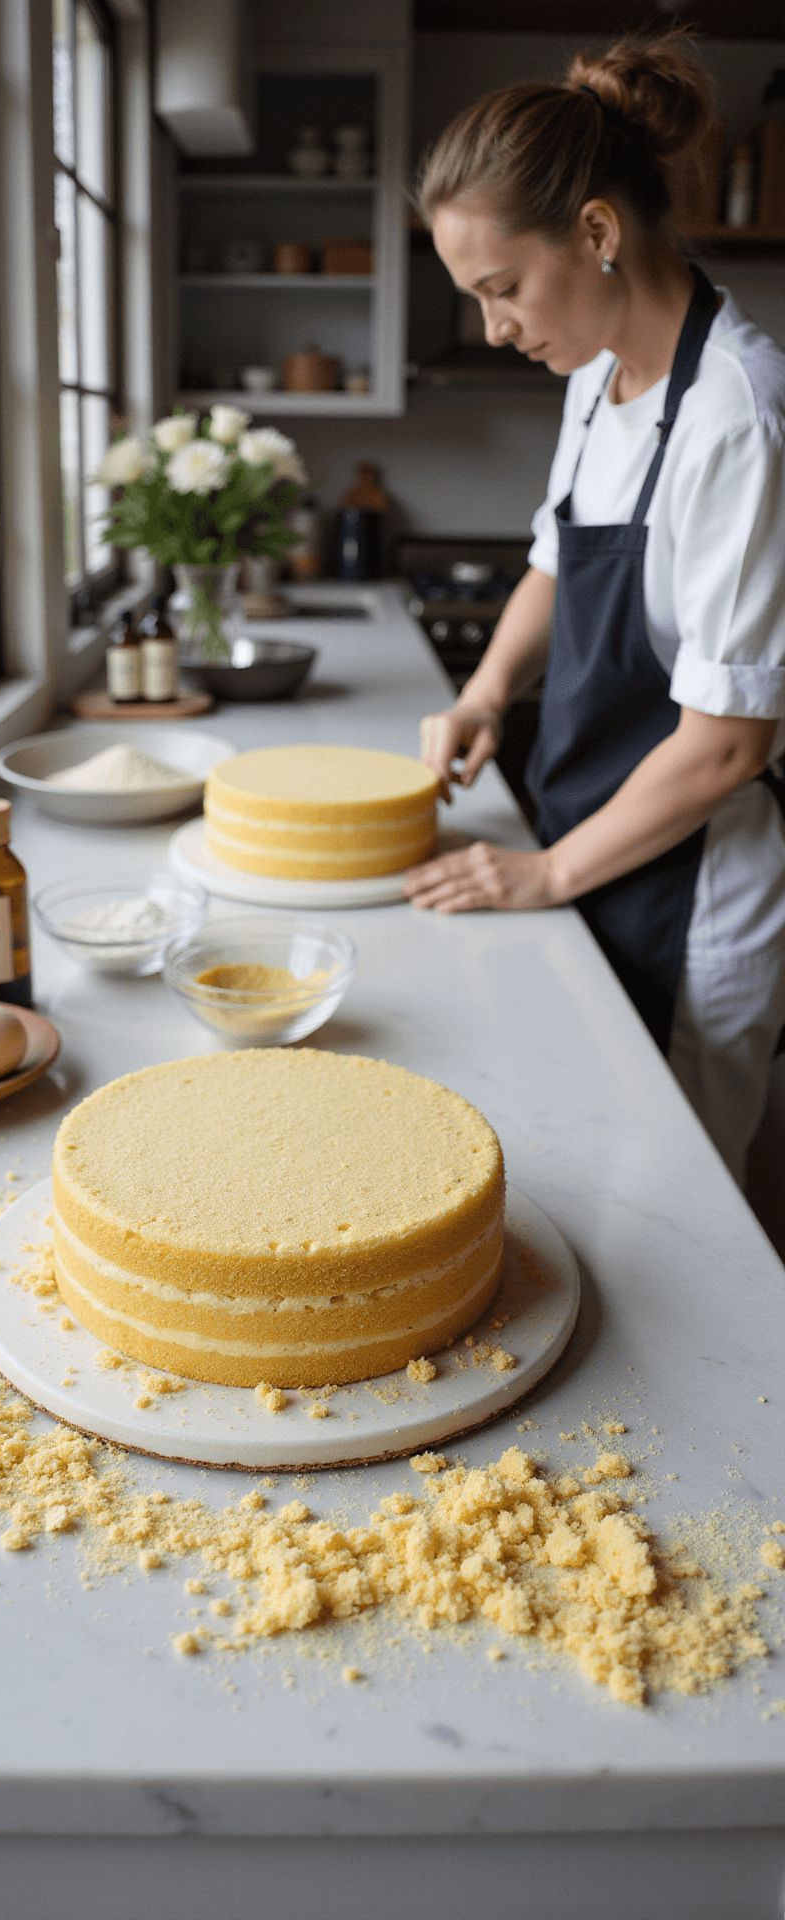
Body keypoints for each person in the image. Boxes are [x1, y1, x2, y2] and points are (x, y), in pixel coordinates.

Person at [405, 33, 785, 1185]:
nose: (493, 328)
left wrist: (543, 875)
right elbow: (556, 559)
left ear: (597, 233)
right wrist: (485, 693)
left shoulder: (738, 417)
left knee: (671, 1209)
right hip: (585, 845)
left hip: (689, 888)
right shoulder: (595, 377)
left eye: (502, 289)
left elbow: (727, 745)